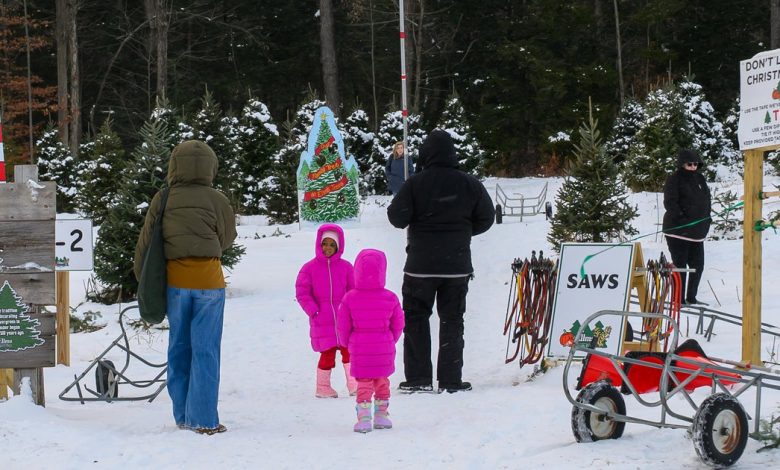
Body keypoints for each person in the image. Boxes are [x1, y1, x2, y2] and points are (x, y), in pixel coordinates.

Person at [134, 140, 237, 435]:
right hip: (209, 282)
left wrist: (144, 280)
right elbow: (227, 237)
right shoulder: (217, 199)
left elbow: (146, 242)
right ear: (210, 166)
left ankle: (182, 415)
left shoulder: (163, 197)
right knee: (206, 350)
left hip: (176, 284)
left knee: (179, 347)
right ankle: (204, 419)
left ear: (174, 165)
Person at [387, 129, 495, 393]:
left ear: (426, 154)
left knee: (415, 320)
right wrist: (462, 232)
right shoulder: (469, 183)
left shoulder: (416, 183)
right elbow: (487, 217)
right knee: (452, 321)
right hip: (456, 267)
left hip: (419, 268)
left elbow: (396, 217)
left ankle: (418, 379)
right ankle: (450, 380)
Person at [337, 249, 405, 433]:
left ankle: (364, 418)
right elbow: (398, 324)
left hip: (359, 349)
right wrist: (390, 340)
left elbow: (343, 327)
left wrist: (348, 343)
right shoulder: (390, 297)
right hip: (384, 347)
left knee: (364, 384)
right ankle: (382, 415)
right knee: (382, 381)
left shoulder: (350, 298)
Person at [295, 223, 357, 398]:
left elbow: (353, 291)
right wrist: (314, 311)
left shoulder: (346, 267)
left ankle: (354, 385)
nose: (327, 248)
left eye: (332, 244)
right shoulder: (309, 268)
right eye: (324, 244)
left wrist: (351, 311)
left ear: (338, 246)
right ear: (318, 244)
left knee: (349, 352)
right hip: (322, 319)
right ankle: (323, 387)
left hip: (344, 319)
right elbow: (302, 293)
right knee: (327, 353)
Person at [662, 148, 712, 306]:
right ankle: (678, 300)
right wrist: (682, 219)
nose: (693, 166)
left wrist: (706, 219)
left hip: (697, 231)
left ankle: (691, 298)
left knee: (698, 265)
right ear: (682, 164)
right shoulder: (674, 179)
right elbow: (670, 202)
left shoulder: (700, 178)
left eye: (695, 163)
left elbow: (706, 199)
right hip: (678, 231)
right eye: (690, 164)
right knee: (681, 266)